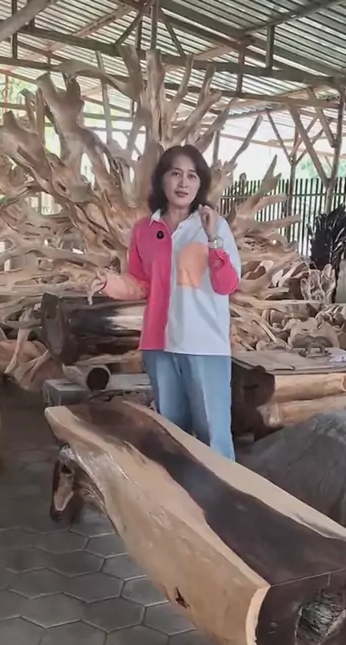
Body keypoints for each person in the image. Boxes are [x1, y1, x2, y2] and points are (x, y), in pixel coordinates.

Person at [96, 144, 241, 460]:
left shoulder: (213, 226)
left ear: (200, 183)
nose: (183, 183)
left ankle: (221, 492)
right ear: (161, 179)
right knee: (171, 435)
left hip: (204, 343)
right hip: (159, 345)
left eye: (192, 176)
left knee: (213, 437)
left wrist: (213, 239)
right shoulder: (144, 230)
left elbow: (227, 284)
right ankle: (179, 491)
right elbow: (140, 284)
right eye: (175, 173)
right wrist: (106, 282)